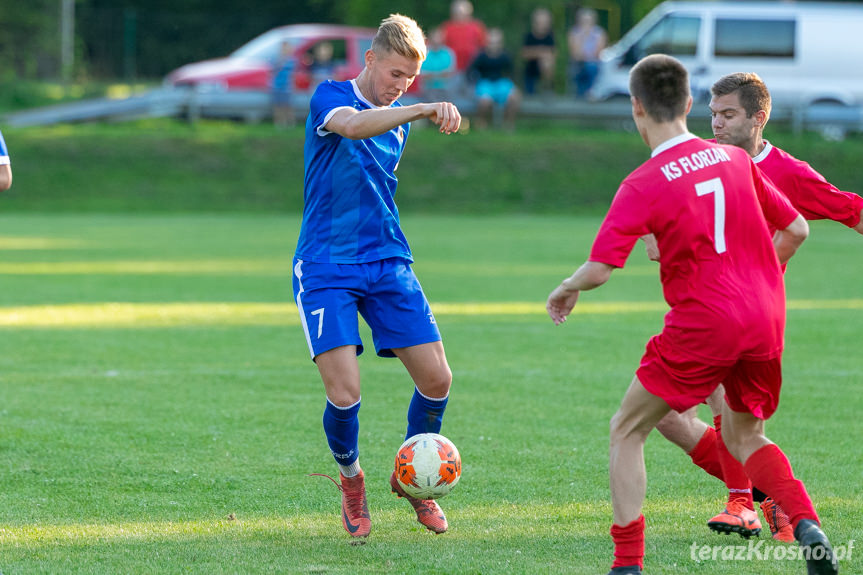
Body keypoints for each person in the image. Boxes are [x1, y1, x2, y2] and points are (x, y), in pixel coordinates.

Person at [546, 54, 838, 575]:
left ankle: (626, 564)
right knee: (746, 435)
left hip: (707, 318)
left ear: (636, 107)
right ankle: (805, 522)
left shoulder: (644, 181)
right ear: (686, 104)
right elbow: (797, 229)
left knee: (627, 429)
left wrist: (567, 288)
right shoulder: (737, 160)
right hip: (766, 314)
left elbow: (599, 268)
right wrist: (756, 276)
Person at [649, 71, 863, 544]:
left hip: (750, 316)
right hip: (696, 309)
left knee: (728, 407)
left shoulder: (790, 174)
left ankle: (742, 503)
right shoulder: (701, 159)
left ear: (758, 117)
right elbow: (659, 209)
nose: (717, 124)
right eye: (713, 115)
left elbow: (852, 210)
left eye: (728, 115)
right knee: (668, 418)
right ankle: (772, 502)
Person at [293, 14, 461, 541]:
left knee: (438, 379)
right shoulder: (329, 97)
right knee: (345, 393)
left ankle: (414, 482)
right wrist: (418, 107)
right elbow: (351, 124)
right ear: (368, 59)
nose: (400, 86)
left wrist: (408, 107)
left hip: (387, 261)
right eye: (394, 75)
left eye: (410, 79)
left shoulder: (400, 115)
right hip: (325, 265)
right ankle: (352, 480)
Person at [468, 28, 520, 130]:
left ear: (501, 43)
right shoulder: (481, 56)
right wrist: (473, 82)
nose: (493, 45)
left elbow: (512, 71)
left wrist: (511, 83)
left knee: (514, 97)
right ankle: (482, 122)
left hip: (501, 82)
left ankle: (508, 123)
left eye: (496, 42)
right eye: (491, 42)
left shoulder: (505, 55)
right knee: (484, 101)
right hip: (485, 83)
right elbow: (470, 71)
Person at [441, 0, 487, 95]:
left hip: (472, 70)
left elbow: (483, 47)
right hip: (453, 71)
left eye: (463, 13)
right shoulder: (447, 28)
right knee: (451, 96)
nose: (460, 16)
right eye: (457, 13)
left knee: (473, 96)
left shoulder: (476, 27)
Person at [567, 7, 606, 98]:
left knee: (591, 67)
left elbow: (598, 53)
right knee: (582, 67)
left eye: (588, 20)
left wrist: (586, 56)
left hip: (594, 64)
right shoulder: (574, 33)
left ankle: (591, 93)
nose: (586, 23)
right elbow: (575, 54)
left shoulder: (599, 33)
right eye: (584, 20)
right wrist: (583, 37)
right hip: (579, 64)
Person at [521, 7, 556, 96]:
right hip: (530, 69)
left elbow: (553, 54)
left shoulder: (550, 37)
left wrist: (535, 52)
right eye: (540, 22)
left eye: (545, 22)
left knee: (547, 61)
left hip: (545, 70)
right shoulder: (529, 36)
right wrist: (541, 52)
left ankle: (547, 87)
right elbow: (524, 54)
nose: (542, 24)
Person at [421, 28, 456, 100]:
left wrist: (432, 75)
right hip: (427, 88)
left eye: (438, 37)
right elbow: (422, 74)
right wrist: (439, 75)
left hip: (445, 88)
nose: (436, 40)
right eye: (435, 37)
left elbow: (450, 73)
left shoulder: (448, 53)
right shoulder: (424, 53)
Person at [271, 40, 296, 128]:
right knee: (278, 106)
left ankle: (290, 122)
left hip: (287, 88)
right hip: (277, 87)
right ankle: (279, 123)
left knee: (287, 106)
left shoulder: (292, 61)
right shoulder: (276, 61)